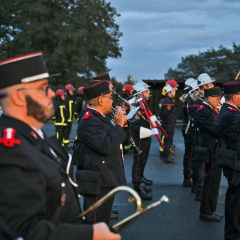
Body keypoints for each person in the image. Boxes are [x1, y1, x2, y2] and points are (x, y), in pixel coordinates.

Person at [0, 52, 121, 240]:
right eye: (42, 88)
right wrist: (90, 234)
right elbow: (23, 230)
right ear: (18, 98)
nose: (51, 93)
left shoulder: (32, 137)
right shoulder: (11, 150)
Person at [77, 80, 128, 225]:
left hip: (105, 177)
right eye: (110, 98)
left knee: (102, 220)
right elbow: (105, 146)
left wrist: (124, 123)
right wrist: (118, 125)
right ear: (100, 100)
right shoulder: (89, 119)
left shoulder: (101, 117)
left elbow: (119, 140)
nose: (112, 101)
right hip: (98, 178)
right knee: (96, 221)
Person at [194, 87, 223, 222]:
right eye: (217, 99)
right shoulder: (203, 111)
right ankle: (206, 212)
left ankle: (210, 210)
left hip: (216, 149)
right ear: (210, 98)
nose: (219, 101)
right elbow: (216, 129)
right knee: (210, 183)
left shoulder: (211, 110)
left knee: (214, 183)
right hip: (211, 150)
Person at [218, 81, 240, 239]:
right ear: (235, 97)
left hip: (234, 159)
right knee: (236, 201)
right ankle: (233, 234)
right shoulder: (232, 114)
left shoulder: (229, 110)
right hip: (236, 161)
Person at [192, 73, 215, 201]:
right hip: (202, 134)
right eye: (211, 83)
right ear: (206, 85)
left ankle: (199, 188)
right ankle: (200, 190)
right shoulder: (200, 99)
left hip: (202, 134)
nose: (213, 85)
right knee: (202, 163)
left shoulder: (202, 97)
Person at [131, 81, 153, 200]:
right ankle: (137, 185)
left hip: (145, 135)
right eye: (146, 91)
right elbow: (134, 125)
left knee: (143, 160)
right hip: (140, 136)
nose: (149, 92)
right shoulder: (136, 105)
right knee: (139, 161)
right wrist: (147, 131)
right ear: (141, 92)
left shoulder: (143, 104)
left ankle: (140, 180)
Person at [181, 78, 196, 187]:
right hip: (190, 130)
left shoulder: (187, 99)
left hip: (187, 129)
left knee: (189, 155)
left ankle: (188, 177)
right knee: (191, 156)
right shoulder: (191, 100)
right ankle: (188, 178)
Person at [159, 84, 178, 164]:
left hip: (167, 122)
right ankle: (167, 157)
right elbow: (164, 113)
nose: (175, 93)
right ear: (169, 93)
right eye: (173, 91)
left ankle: (166, 156)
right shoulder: (168, 101)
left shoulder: (165, 100)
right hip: (168, 123)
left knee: (167, 139)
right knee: (168, 140)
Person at [64, 83, 75, 148]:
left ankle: (66, 144)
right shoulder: (66, 99)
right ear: (67, 91)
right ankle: (64, 145)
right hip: (67, 119)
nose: (72, 91)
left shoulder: (69, 98)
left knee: (68, 132)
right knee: (65, 132)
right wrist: (66, 118)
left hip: (69, 119)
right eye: (71, 90)